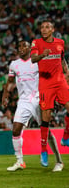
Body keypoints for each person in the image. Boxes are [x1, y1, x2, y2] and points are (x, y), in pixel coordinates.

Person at [2, 41, 63, 172]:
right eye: (19, 47)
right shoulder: (14, 64)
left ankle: (59, 161)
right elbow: (10, 81)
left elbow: (50, 79)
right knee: (15, 130)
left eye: (24, 46)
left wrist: (54, 97)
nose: (21, 49)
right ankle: (19, 161)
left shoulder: (38, 62)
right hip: (23, 100)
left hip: (39, 98)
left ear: (30, 49)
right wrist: (5, 95)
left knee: (46, 132)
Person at [30, 20, 69, 169]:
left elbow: (62, 58)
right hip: (46, 84)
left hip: (60, 82)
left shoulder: (60, 42)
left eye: (47, 27)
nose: (44, 30)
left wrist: (67, 71)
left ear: (52, 29)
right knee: (45, 118)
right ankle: (44, 150)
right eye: (42, 27)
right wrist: (42, 56)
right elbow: (33, 59)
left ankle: (65, 136)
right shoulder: (36, 43)